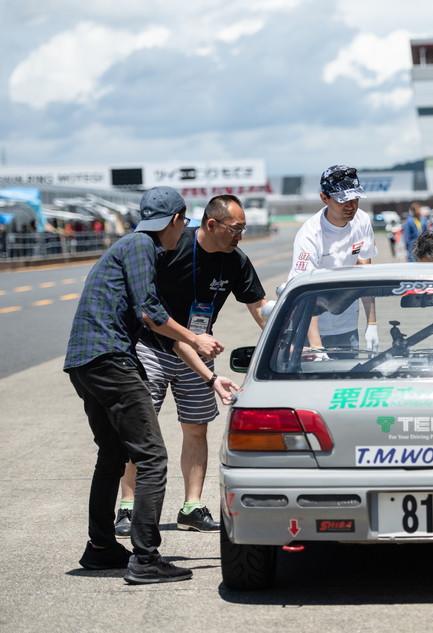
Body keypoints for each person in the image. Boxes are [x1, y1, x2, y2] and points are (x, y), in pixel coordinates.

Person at [64, 186, 225, 584]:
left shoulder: (131, 247)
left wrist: (207, 373)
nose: (182, 229)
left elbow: (156, 326)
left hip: (86, 362)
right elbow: (151, 313)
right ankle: (146, 559)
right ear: (174, 221)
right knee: (152, 457)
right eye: (183, 222)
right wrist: (196, 337)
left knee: (114, 452)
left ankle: (100, 547)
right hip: (110, 359)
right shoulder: (141, 247)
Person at [114, 194, 266, 538]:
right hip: (152, 345)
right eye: (236, 228)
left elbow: (257, 305)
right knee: (141, 427)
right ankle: (127, 506)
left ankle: (192, 507)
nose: (240, 235)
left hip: (198, 350)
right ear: (212, 224)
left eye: (243, 228)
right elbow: (145, 306)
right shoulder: (172, 246)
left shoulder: (236, 261)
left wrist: (283, 339)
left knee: (197, 427)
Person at [288, 165, 378, 356]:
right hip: (311, 329)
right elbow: (306, 293)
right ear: (324, 198)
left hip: (348, 326)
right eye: (342, 200)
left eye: (355, 198)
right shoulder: (310, 235)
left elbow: (366, 274)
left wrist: (372, 324)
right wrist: (316, 346)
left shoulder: (362, 221)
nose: (351, 205)